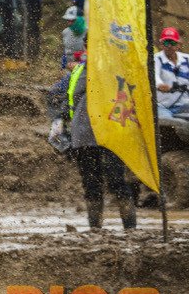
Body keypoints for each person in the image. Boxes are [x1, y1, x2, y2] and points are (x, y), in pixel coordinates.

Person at [46, 60, 138, 230]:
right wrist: (59, 119)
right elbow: (57, 96)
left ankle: (130, 227)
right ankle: (95, 228)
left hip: (111, 135)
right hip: (83, 136)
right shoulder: (78, 72)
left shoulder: (116, 68)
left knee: (116, 179)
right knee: (91, 183)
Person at [154, 27, 189, 120]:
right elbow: (154, 75)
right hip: (162, 106)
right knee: (168, 123)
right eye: (166, 43)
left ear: (178, 45)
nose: (169, 46)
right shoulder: (156, 59)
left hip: (183, 105)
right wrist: (160, 85)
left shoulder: (187, 59)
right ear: (161, 45)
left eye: (172, 43)